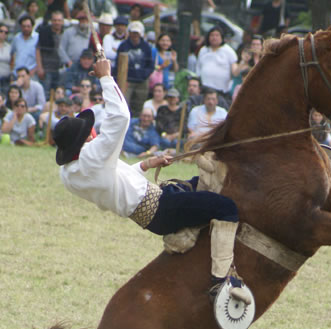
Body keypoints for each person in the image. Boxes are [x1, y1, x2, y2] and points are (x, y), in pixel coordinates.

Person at [55, 56, 250, 302]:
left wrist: (147, 164)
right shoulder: (91, 158)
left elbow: (115, 180)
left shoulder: (70, 173)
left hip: (156, 207)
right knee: (226, 207)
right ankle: (222, 281)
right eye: (88, 133)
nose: (93, 134)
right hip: (161, 208)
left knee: (196, 183)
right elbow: (121, 118)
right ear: (83, 142)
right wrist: (106, 77)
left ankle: (192, 232)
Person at [116, 21, 155, 117]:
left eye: (137, 33)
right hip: (127, 81)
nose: (135, 35)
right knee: (124, 104)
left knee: (139, 106)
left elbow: (150, 64)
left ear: (141, 34)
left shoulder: (146, 47)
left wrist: (144, 75)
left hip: (142, 81)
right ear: (129, 33)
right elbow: (118, 63)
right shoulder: (123, 46)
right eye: (133, 32)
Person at [196, 26, 238, 97]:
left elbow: (234, 71)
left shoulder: (229, 51)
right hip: (205, 89)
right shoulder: (203, 50)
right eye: (212, 35)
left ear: (221, 37)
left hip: (222, 91)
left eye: (217, 35)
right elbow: (198, 68)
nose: (214, 37)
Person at [35, 10, 65, 93]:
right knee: (46, 93)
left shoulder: (65, 34)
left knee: (59, 93)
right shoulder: (44, 32)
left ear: (62, 22)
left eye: (59, 20)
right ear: (51, 21)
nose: (57, 22)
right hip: (47, 69)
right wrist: (40, 67)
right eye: (55, 20)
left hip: (60, 69)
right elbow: (38, 50)